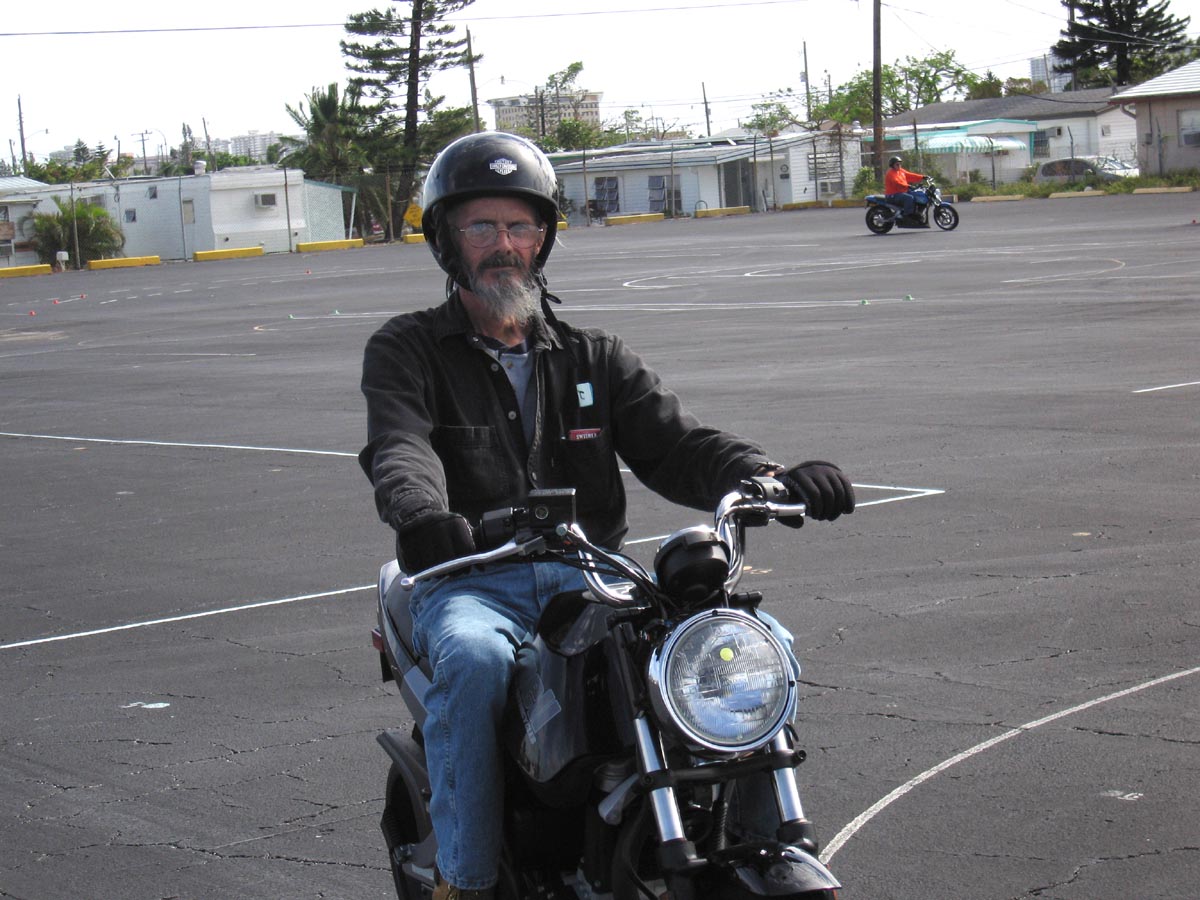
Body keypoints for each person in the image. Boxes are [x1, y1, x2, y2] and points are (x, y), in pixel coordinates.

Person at [358, 131, 855, 900]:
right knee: (475, 662)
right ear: (447, 240)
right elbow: (401, 445)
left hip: (590, 579)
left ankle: (763, 838)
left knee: (756, 644)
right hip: (470, 579)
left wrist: (767, 474)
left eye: (520, 226)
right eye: (482, 226)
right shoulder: (409, 349)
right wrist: (422, 514)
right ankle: (467, 878)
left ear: (543, 238)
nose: (503, 245)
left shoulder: (593, 356)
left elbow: (678, 444)